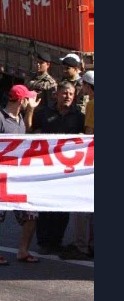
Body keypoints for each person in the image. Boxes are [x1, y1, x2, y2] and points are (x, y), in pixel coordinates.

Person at [0, 85, 41, 266]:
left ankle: (23, 250)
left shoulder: (21, 119)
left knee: (31, 215)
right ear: (21, 100)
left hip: (18, 176)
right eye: (27, 99)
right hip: (0, 176)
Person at [32, 81, 85, 255]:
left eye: (70, 94)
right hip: (46, 167)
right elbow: (29, 132)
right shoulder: (45, 114)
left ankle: (57, 241)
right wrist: (30, 110)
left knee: (62, 207)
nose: (67, 97)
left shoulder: (79, 116)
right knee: (46, 206)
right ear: (57, 95)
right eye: (64, 93)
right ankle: (44, 242)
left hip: (67, 170)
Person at [58, 70, 94, 261]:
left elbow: (89, 135)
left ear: (88, 86)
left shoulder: (91, 105)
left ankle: (81, 246)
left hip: (91, 162)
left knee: (82, 204)